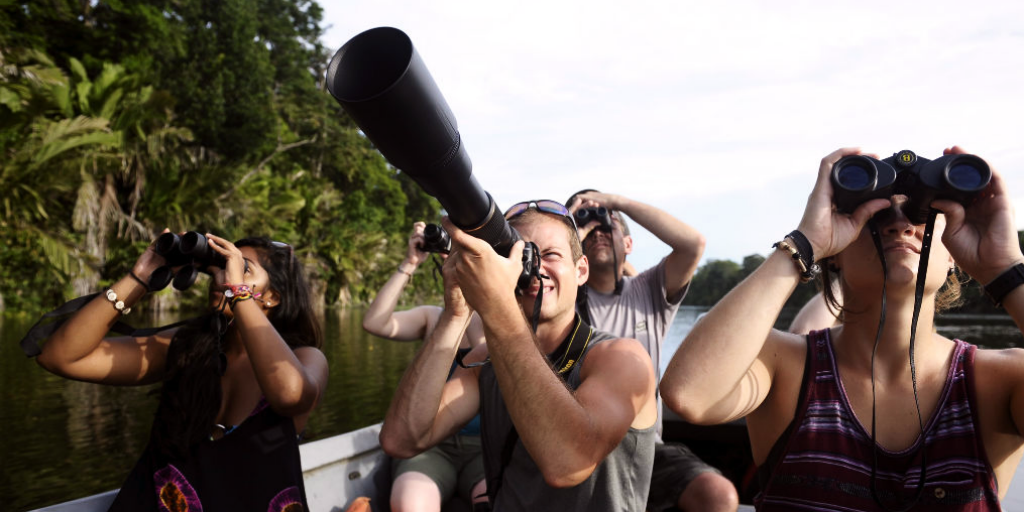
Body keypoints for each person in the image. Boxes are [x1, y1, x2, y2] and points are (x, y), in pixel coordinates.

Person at [661, 146, 1024, 511]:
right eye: (875, 215)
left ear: (952, 256)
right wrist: (804, 242)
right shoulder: (783, 366)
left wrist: (1005, 268)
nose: (901, 224)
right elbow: (690, 394)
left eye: (924, 214)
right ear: (834, 252)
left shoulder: (1000, 380)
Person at [379, 200, 659, 511]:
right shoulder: (485, 360)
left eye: (550, 254)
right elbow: (401, 440)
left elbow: (568, 464)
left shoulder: (620, 358)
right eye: (519, 255)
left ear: (581, 271)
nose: (534, 267)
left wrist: (498, 305)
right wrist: (457, 312)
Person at [35, 233, 329, 511]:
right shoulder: (185, 346)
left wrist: (238, 292)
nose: (221, 277)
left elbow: (290, 395)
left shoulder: (304, 359)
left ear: (273, 297)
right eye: (219, 269)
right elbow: (60, 358)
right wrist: (139, 277)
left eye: (241, 270)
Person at [566, 189, 738, 512]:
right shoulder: (560, 297)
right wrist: (569, 231)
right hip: (579, 445)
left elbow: (692, 244)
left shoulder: (648, 291)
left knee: (717, 494)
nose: (598, 230)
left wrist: (615, 203)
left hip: (643, 448)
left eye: (608, 225)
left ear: (628, 245)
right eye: (586, 226)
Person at [363, 221, 488, 512]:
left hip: (484, 447)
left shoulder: (501, 318)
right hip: (430, 445)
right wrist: (410, 263)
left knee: (492, 502)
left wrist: (473, 293)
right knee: (410, 504)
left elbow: (484, 352)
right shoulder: (433, 318)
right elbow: (375, 322)